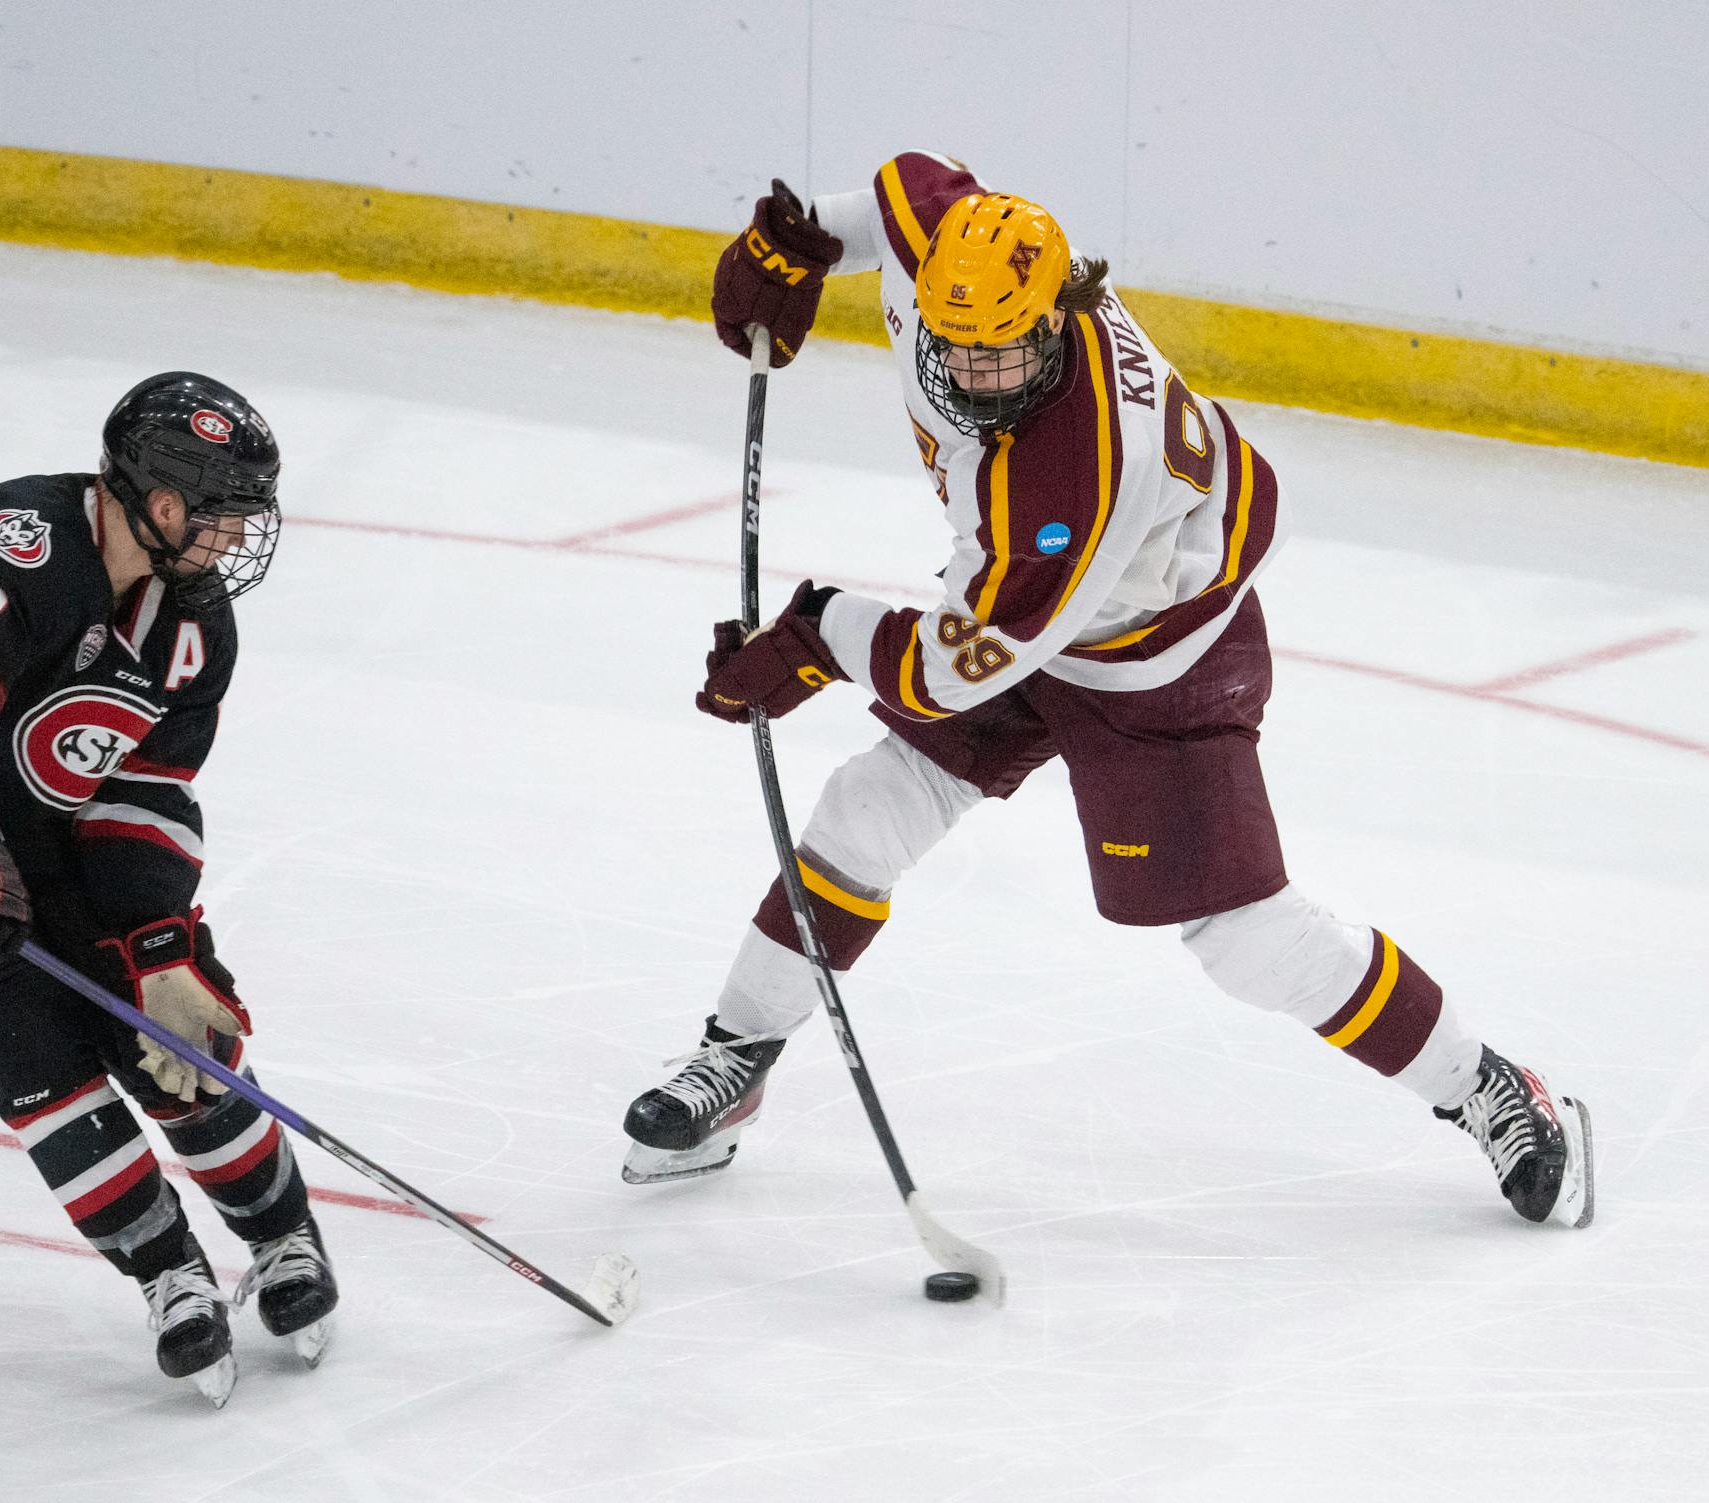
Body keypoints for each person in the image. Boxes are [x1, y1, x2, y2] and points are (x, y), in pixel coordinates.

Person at [620, 155, 1595, 1232]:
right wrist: (802, 245)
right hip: (1011, 601)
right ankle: (735, 1055)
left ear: (1057, 316)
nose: (976, 375)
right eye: (958, 349)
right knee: (866, 809)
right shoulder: (962, 257)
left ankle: (1488, 1084)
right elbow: (897, 193)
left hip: (1155, 654)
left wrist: (813, 636)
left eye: (1005, 355)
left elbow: (954, 671)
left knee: (1246, 940)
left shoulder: (1076, 478)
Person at [0, 371, 336, 1407]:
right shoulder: (14, 544)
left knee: (175, 1035)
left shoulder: (193, 629)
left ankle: (283, 1235)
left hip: (44, 837)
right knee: (24, 1044)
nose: (238, 539)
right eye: (223, 514)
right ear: (161, 503)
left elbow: (145, 792)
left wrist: (159, 949)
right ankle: (168, 1270)